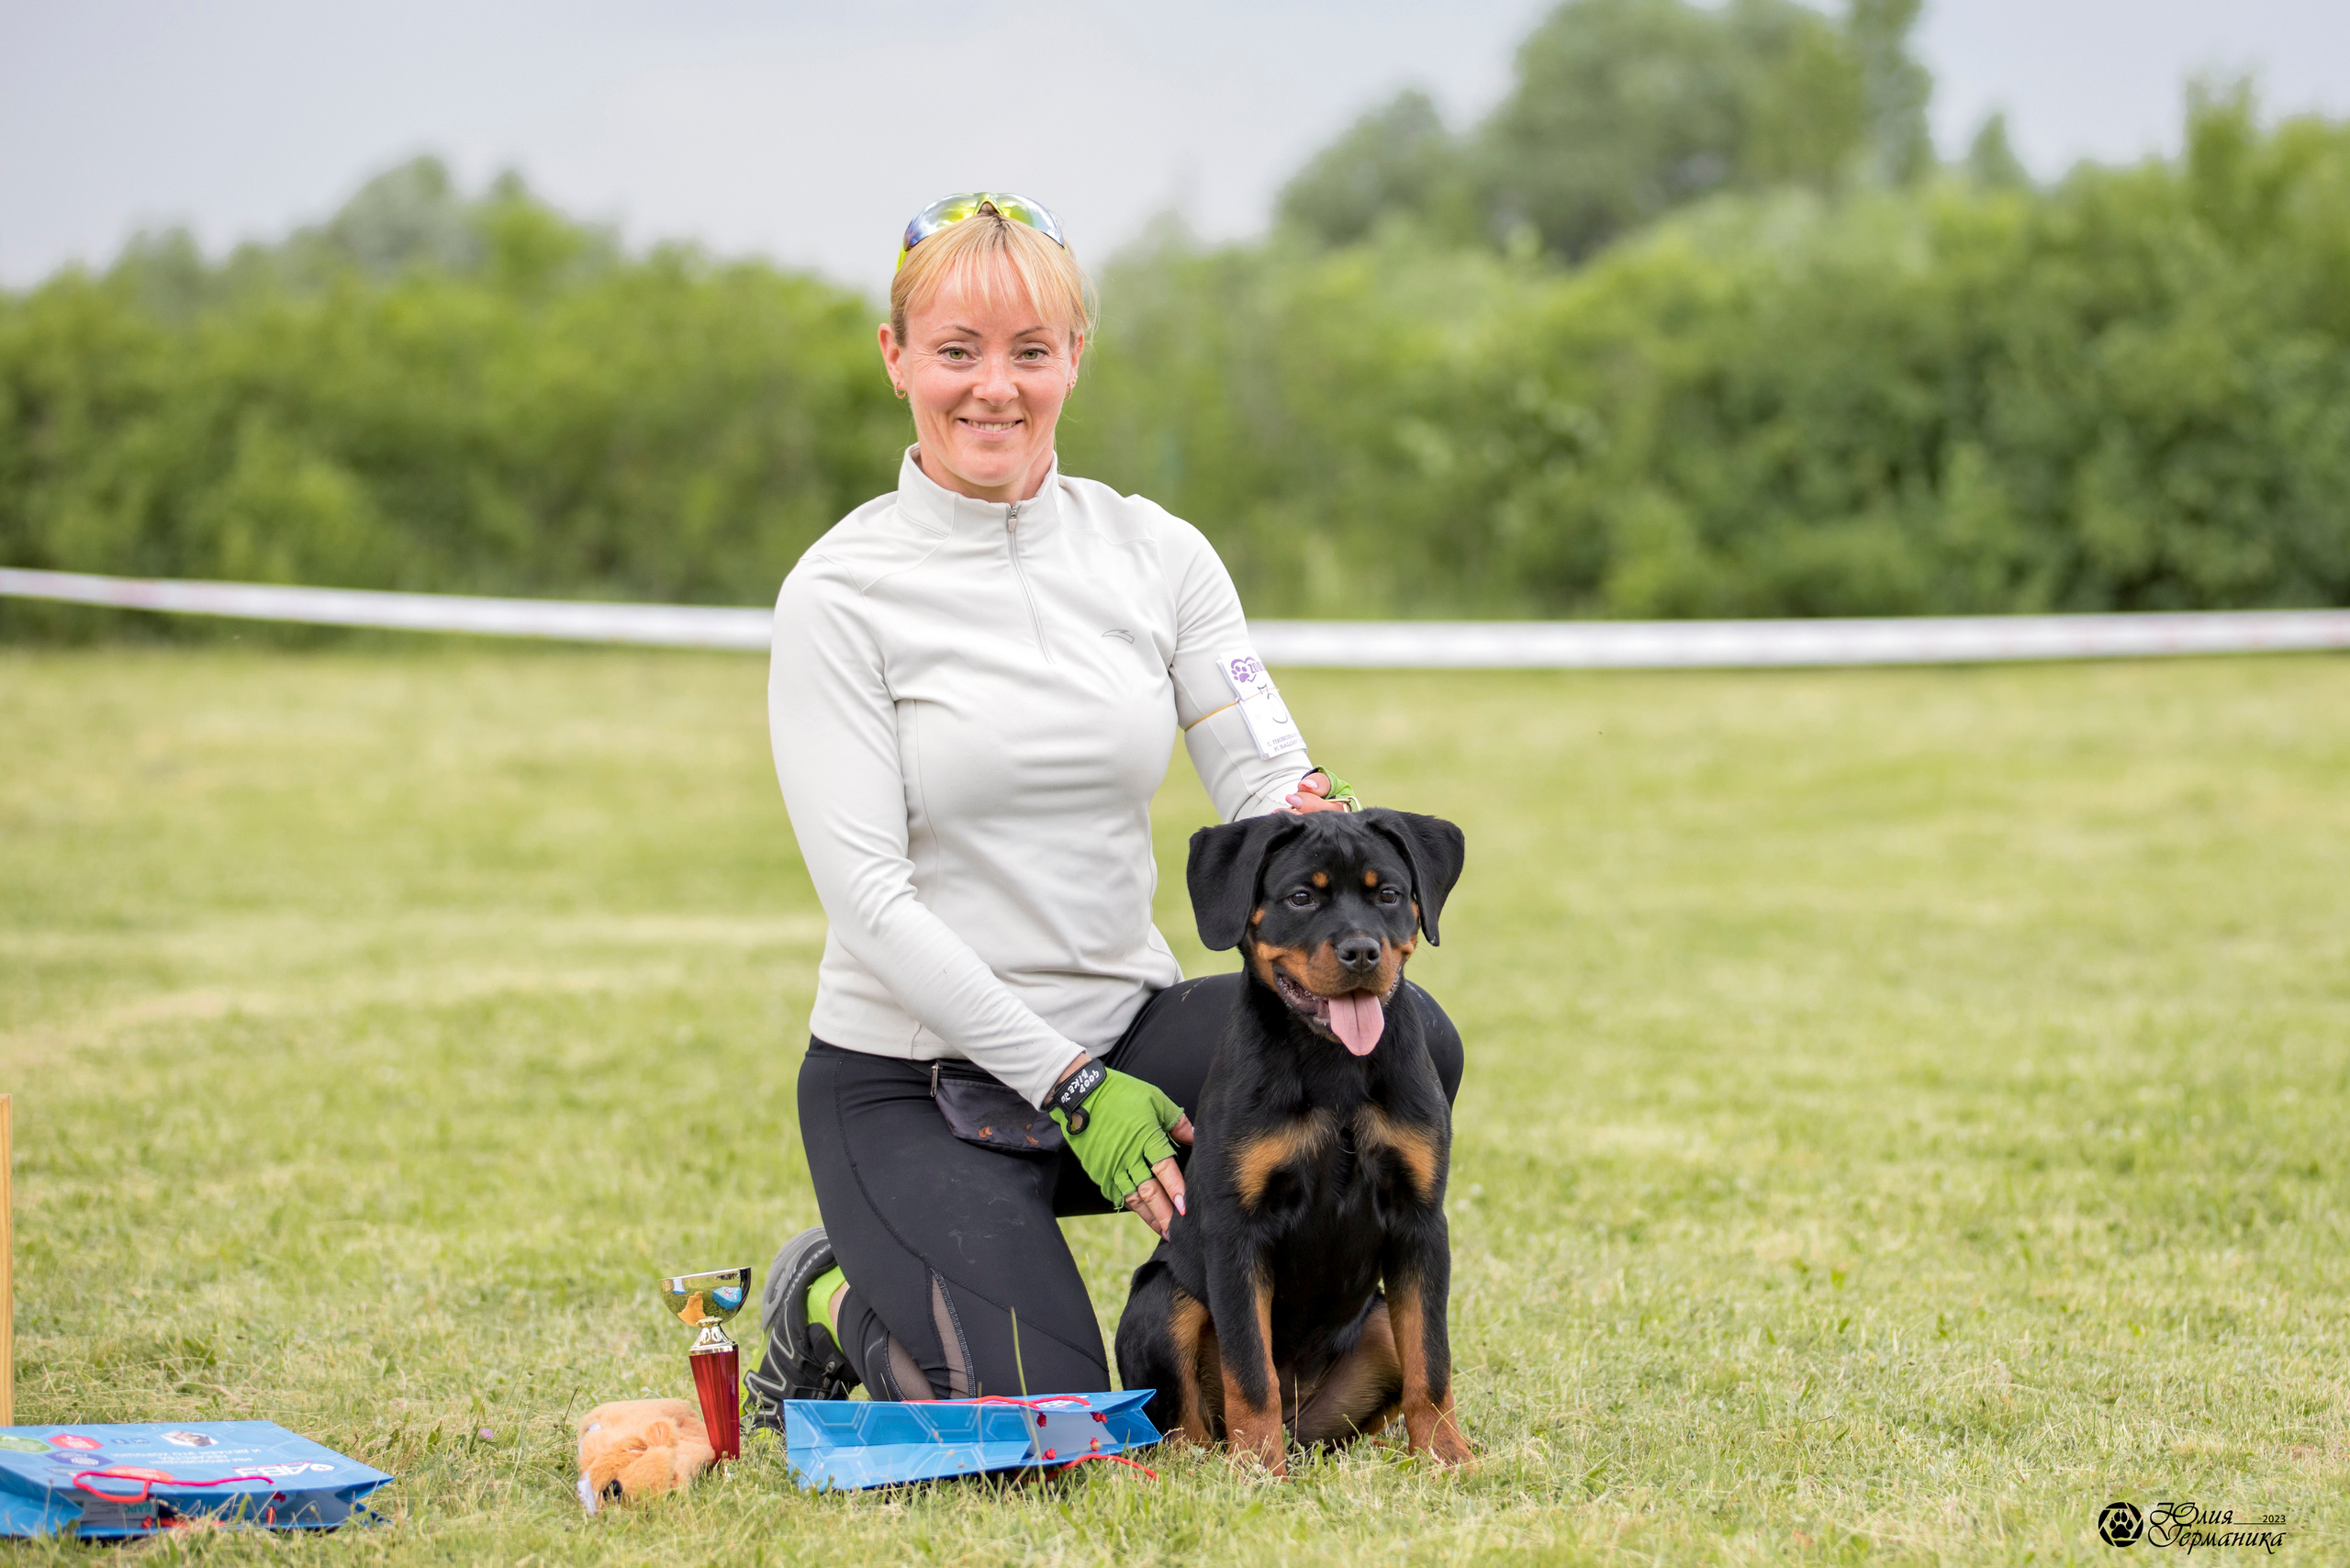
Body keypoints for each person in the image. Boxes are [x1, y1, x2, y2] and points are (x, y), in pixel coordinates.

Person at [748, 192, 1461, 1417]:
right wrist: (1070, 1083)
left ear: (1074, 356)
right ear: (895, 357)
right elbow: (872, 904)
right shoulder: (838, 594)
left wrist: (1320, 808)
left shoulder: (1158, 553)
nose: (994, 388)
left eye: (1030, 351)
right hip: (919, 1081)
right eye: (957, 351)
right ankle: (852, 1305)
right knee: (1054, 1433)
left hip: (1133, 1036)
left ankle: (1252, 1310)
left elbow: (1259, 777)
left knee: (1411, 1035)